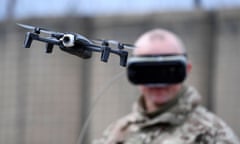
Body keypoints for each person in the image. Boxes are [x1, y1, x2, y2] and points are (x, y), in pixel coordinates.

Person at [93, 29, 240, 144]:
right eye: (148, 72)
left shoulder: (212, 134)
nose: (158, 84)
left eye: (168, 72)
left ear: (186, 70)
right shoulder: (117, 132)